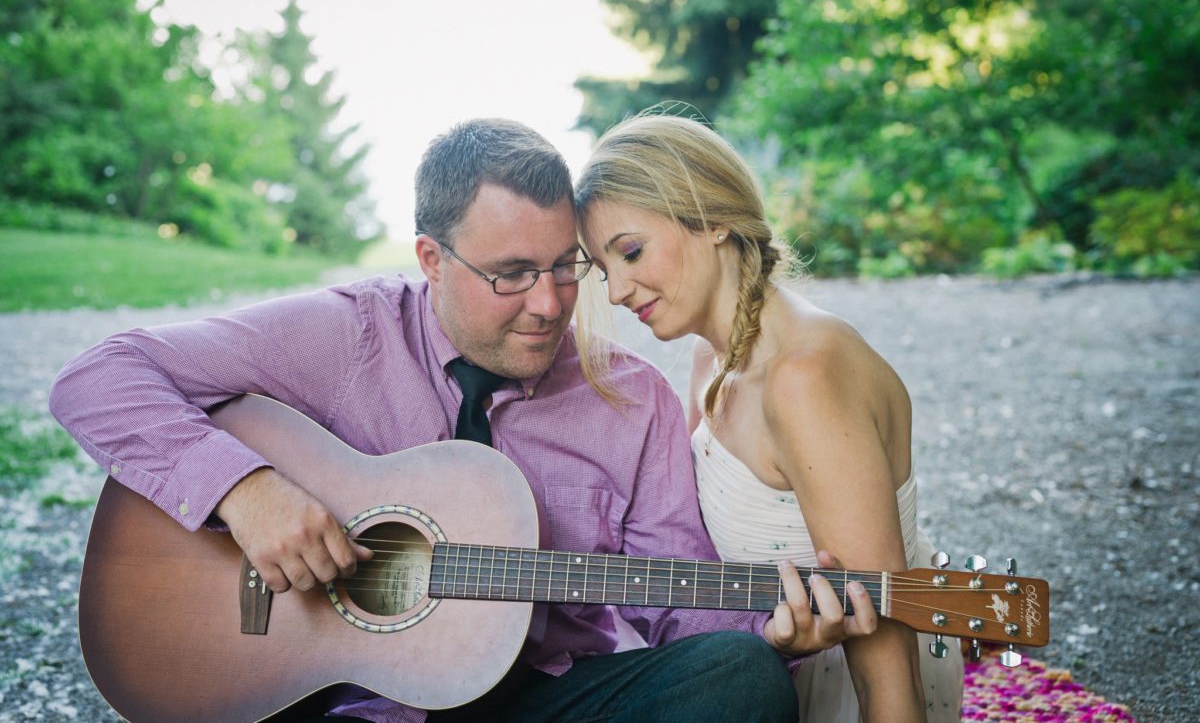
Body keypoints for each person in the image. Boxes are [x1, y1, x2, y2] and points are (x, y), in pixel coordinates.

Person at [49, 118, 880, 723]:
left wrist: (785, 630)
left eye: (567, 268)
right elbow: (100, 377)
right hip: (345, 707)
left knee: (737, 676)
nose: (550, 304)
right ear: (432, 260)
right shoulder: (344, 335)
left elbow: (684, 608)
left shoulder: (631, 400)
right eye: (512, 275)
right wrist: (246, 488)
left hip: (541, 705)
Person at [573, 113, 965, 723]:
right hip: (765, 668)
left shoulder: (804, 380)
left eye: (631, 251)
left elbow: (886, 657)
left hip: (846, 694)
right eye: (603, 268)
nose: (618, 290)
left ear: (714, 220)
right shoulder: (711, 357)